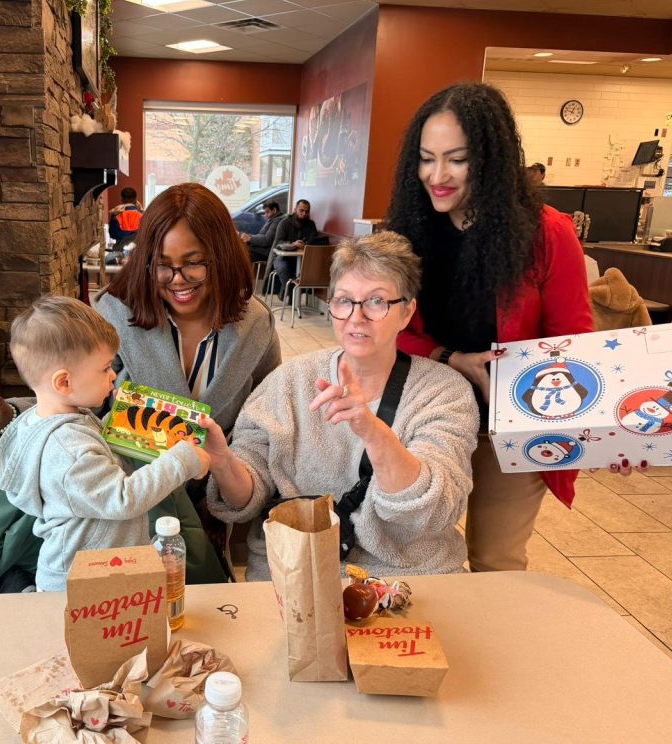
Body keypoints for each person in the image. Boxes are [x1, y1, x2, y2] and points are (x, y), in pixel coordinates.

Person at [0, 182, 283, 580]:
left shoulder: (255, 326)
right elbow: (81, 400)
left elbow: (263, 424)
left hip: (215, 506)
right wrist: (14, 414)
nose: (177, 279)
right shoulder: (112, 316)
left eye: (194, 263)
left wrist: (228, 481)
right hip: (125, 519)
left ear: (223, 257)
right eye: (162, 264)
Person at [389, 82, 592, 573]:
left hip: (511, 422)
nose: (437, 176)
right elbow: (393, 326)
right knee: (408, 556)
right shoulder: (409, 230)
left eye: (457, 160)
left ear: (491, 160)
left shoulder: (546, 233)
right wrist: (450, 358)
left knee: (495, 560)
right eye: (426, 159)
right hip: (428, 414)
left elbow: (574, 343)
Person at [203, 232, 478, 580]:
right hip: (297, 573)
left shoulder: (443, 391)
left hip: (410, 576)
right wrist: (223, 462)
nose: (356, 317)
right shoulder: (289, 382)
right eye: (344, 300)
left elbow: (436, 508)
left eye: (376, 301)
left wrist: (374, 433)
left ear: (406, 312)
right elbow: (246, 498)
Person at [0, 295, 210, 591]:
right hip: (78, 584)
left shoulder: (61, 420)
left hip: (101, 572)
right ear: (64, 382)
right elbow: (123, 498)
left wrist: (120, 420)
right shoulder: (67, 451)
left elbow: (95, 448)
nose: (113, 376)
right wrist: (184, 460)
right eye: (105, 368)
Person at [270, 199, 319, 298]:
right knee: (283, 267)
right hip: (282, 257)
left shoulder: (311, 224)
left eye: (307, 211)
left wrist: (306, 244)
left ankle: (287, 292)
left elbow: (314, 241)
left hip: (303, 258)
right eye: (301, 210)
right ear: (295, 209)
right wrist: (293, 244)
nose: (304, 214)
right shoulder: (284, 223)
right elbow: (278, 243)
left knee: (311, 269)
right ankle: (291, 294)